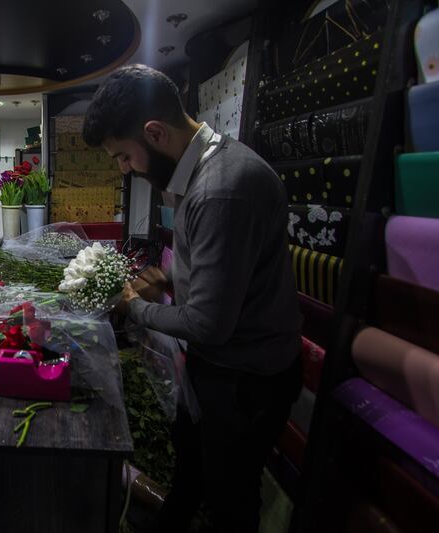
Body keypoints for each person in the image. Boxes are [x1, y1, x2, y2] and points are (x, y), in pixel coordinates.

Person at [83, 64, 303, 532]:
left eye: (124, 156)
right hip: (220, 370)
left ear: (154, 132)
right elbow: (217, 269)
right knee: (190, 471)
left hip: (247, 380)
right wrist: (170, 279)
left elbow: (209, 324)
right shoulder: (202, 167)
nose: (125, 169)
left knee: (230, 498)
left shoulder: (220, 189)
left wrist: (132, 305)